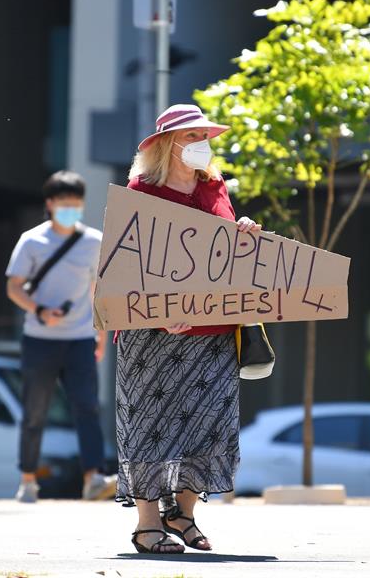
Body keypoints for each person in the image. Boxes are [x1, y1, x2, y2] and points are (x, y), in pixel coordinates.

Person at [117, 104, 261, 554]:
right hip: (153, 336)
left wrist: (242, 230)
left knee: (212, 425)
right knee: (150, 425)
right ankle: (146, 526)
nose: (202, 143)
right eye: (191, 135)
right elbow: (127, 263)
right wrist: (159, 313)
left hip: (213, 331)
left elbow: (223, 252)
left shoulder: (215, 185)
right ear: (166, 145)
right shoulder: (141, 190)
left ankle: (181, 515)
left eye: (205, 135)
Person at [5, 170, 117, 503]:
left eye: (76, 204)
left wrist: (101, 334)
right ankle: (28, 479)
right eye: (65, 203)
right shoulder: (32, 240)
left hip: (81, 338)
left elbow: (99, 290)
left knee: (87, 408)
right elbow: (13, 286)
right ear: (50, 204)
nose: (71, 209)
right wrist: (40, 310)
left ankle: (93, 478)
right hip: (39, 338)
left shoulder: (94, 241)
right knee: (34, 411)